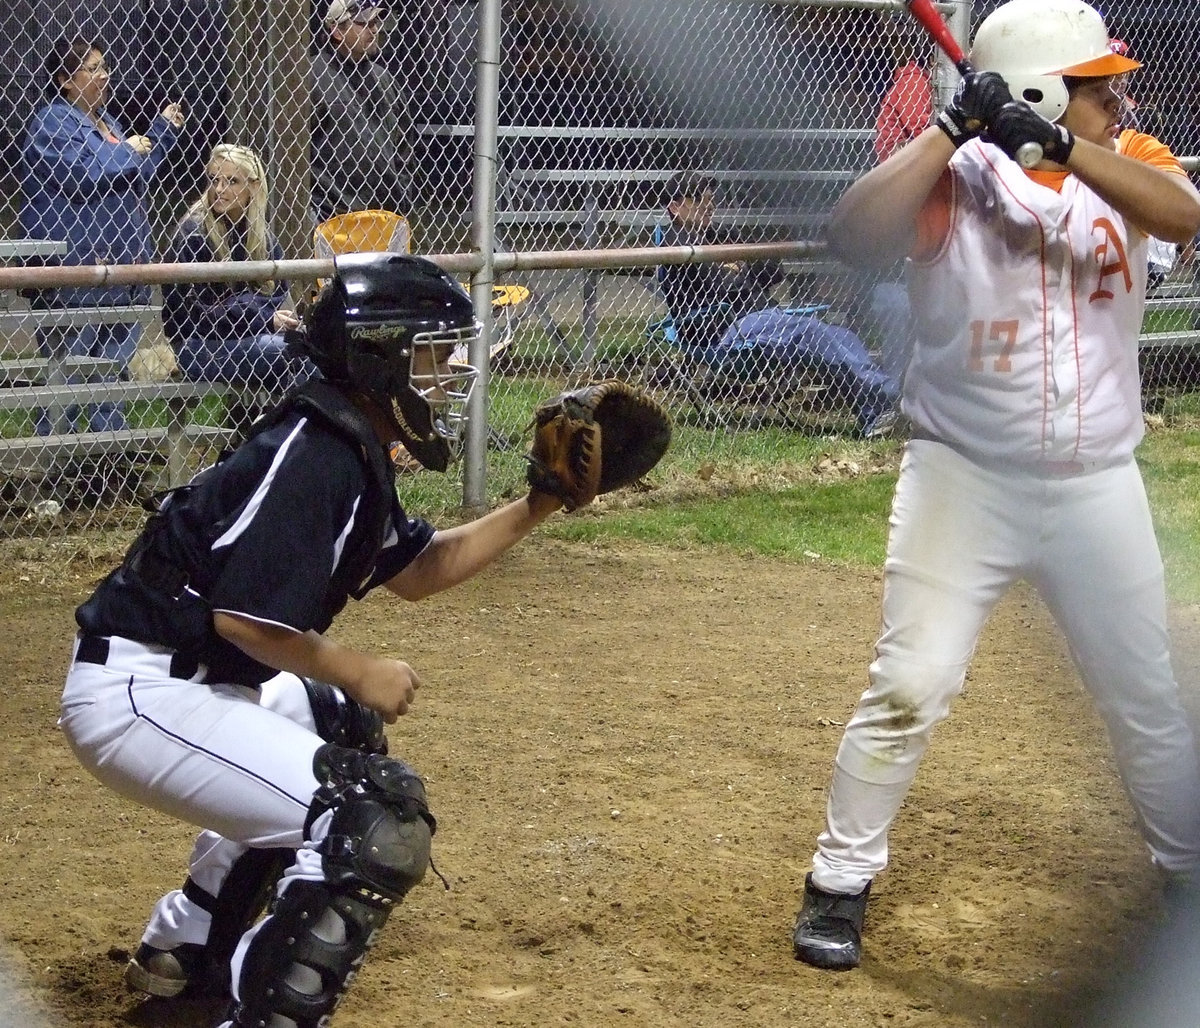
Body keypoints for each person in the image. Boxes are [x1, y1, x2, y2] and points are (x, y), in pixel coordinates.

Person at [791, 0, 1200, 972]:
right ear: (1040, 82)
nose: (1121, 96)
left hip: (1097, 483)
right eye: (1099, 85)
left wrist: (1060, 137)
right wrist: (951, 129)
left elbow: (1185, 213)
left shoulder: (1131, 156)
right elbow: (852, 234)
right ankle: (838, 881)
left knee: (1144, 694)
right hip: (963, 481)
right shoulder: (957, 177)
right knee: (911, 683)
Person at [58, 253, 567, 1025]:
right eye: (434, 352)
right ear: (380, 357)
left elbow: (422, 569)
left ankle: (188, 949)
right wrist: (358, 668)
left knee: (336, 726)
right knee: (369, 821)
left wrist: (542, 503)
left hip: (188, 683)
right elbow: (246, 620)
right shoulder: (318, 451)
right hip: (141, 694)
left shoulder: (347, 441)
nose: (452, 370)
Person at [18, 35, 184, 434]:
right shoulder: (52, 121)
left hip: (123, 264)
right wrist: (129, 149)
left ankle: (107, 460)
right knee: (70, 376)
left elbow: (135, 174)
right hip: (75, 273)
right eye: (92, 69)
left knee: (110, 377)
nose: (104, 75)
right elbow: (84, 175)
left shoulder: (110, 124)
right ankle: (58, 467)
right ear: (65, 79)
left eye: (105, 67)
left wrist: (161, 134)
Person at [658, 171, 899, 438]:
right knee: (811, 333)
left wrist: (740, 262)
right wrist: (735, 270)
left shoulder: (719, 234)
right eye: (698, 200)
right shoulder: (674, 240)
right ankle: (889, 394)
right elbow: (722, 286)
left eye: (710, 199)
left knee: (839, 334)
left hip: (760, 316)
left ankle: (876, 411)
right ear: (675, 206)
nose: (708, 205)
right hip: (723, 329)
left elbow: (773, 271)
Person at [164, 143, 308, 424]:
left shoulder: (261, 237)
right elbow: (198, 317)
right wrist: (264, 318)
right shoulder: (193, 234)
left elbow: (275, 295)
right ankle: (292, 438)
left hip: (247, 337)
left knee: (310, 350)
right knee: (287, 352)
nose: (219, 189)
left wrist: (259, 315)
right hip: (197, 344)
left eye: (231, 181)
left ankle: (279, 434)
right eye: (214, 180)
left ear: (253, 187)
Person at [311, 0, 413, 223]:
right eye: (363, 23)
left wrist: (403, 196)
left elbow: (404, 142)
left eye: (375, 22)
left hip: (385, 213)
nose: (374, 29)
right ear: (337, 31)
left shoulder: (383, 78)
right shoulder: (313, 75)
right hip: (332, 214)